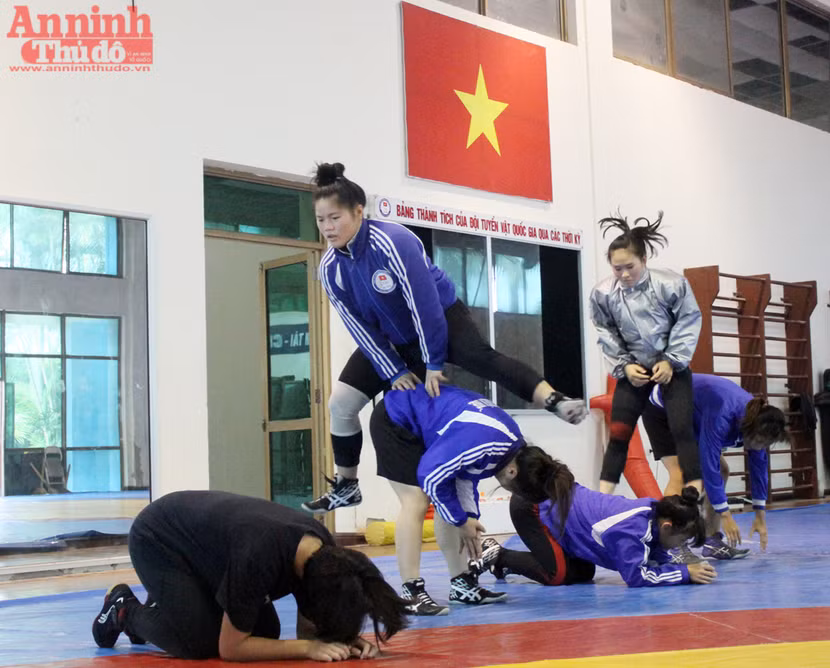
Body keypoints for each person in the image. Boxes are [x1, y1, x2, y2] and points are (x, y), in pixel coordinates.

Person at [303, 162, 588, 514]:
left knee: (480, 357)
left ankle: (554, 400)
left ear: (359, 212)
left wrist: (433, 362)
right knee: (340, 404)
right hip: (393, 340)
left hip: (442, 317)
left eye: (335, 218)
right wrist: (394, 370)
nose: (328, 228)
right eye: (321, 220)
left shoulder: (394, 242)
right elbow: (359, 327)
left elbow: (426, 309)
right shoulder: (330, 268)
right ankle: (347, 485)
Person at [91, 491, 408, 661]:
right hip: (158, 539)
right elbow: (231, 649)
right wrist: (309, 649)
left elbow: (308, 628)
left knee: (265, 631)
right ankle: (124, 609)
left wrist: (346, 640)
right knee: (199, 644)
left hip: (206, 549)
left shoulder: (322, 554)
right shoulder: (259, 556)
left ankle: (166, 605)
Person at [369, 384, 527, 614]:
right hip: (395, 418)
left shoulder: (507, 443)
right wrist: (461, 521)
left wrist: (469, 518)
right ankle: (410, 591)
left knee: (454, 504)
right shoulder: (492, 442)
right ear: (513, 471)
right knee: (416, 501)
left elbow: (464, 476)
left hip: (424, 423)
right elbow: (430, 475)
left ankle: (462, 583)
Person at [475, 446, 717, 588]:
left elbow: (653, 552)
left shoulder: (655, 512)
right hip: (532, 507)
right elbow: (636, 576)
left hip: (551, 503)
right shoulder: (632, 530)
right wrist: (684, 573)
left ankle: (509, 564)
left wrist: (678, 565)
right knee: (557, 574)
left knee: (582, 572)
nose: (679, 547)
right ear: (667, 526)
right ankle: (499, 555)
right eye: (681, 540)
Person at [589, 212, 703, 496]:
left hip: (671, 367)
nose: (624, 274)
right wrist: (625, 366)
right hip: (634, 370)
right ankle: (602, 496)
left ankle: (693, 490)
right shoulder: (603, 293)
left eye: (630, 267)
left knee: (681, 428)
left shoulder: (670, 284)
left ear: (644, 259)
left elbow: (688, 320)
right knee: (619, 433)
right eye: (617, 268)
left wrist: (671, 360)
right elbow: (605, 331)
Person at [643, 373, 787, 560]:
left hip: (691, 413)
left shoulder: (759, 424)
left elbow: (759, 468)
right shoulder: (722, 414)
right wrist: (725, 515)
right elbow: (708, 464)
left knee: (722, 470)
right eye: (759, 442)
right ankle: (671, 546)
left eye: (765, 444)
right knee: (680, 473)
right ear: (749, 429)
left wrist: (760, 516)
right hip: (661, 408)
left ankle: (711, 540)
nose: (760, 447)